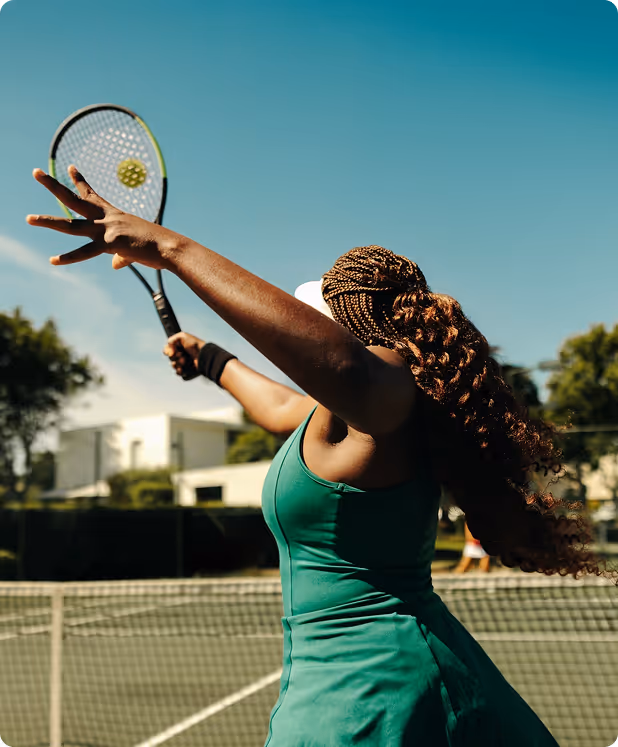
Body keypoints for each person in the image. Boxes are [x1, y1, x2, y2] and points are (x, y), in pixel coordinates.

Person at [28, 165, 609, 746]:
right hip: (358, 679)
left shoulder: (389, 397)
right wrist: (208, 359)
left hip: (382, 690)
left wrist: (167, 246)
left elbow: (347, 368)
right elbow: (280, 404)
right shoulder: (344, 419)